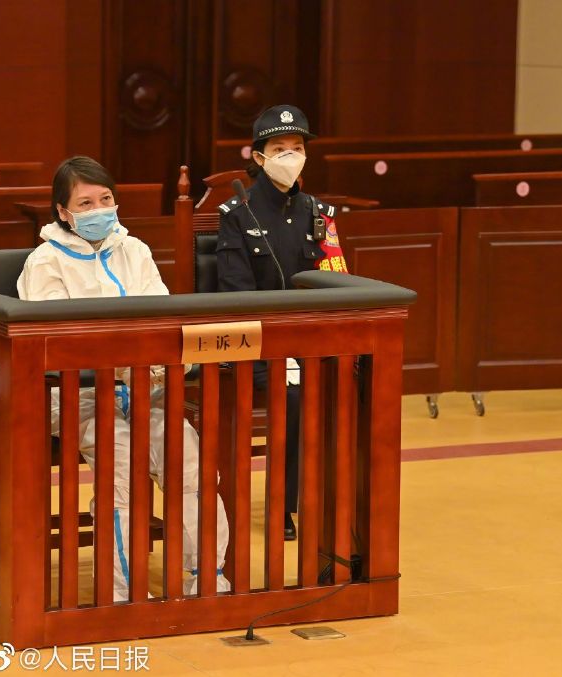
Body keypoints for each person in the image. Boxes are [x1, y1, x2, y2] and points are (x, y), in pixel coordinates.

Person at [18, 156, 229, 602]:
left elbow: (162, 318)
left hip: (149, 391)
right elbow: (58, 342)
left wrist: (160, 364)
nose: (99, 210)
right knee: (123, 468)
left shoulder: (135, 250)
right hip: (81, 395)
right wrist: (121, 364)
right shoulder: (45, 262)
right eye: (85, 203)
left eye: (105, 199)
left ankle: (207, 579)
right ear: (63, 212)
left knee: (191, 460)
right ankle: (121, 594)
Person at [215, 104, 348, 540]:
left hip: (309, 339)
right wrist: (278, 348)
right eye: (279, 148)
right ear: (259, 157)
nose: (290, 156)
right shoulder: (237, 214)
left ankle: (335, 497)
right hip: (258, 343)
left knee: (353, 380)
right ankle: (284, 503)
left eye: (297, 147)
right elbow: (236, 294)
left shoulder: (319, 213)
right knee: (294, 396)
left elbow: (336, 281)